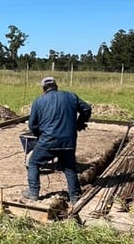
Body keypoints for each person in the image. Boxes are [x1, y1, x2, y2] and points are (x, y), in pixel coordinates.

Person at [23, 76, 92, 206]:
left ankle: (33, 193)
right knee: (69, 168)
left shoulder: (38, 101)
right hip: (68, 142)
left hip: (47, 141)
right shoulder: (71, 96)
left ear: (43, 89)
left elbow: (32, 125)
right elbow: (86, 109)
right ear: (56, 85)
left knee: (33, 163)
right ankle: (75, 196)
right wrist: (79, 123)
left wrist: (39, 136)